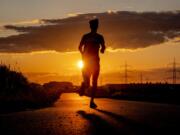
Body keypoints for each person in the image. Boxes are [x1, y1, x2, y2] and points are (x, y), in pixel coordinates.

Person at [78, 18, 106, 108]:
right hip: (88, 62)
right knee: (90, 83)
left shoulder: (98, 37)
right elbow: (79, 47)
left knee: (93, 82)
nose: (94, 26)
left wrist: (102, 48)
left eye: (95, 25)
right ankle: (85, 87)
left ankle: (91, 100)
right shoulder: (89, 36)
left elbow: (103, 48)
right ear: (92, 26)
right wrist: (83, 55)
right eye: (94, 25)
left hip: (92, 62)